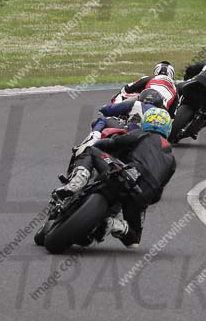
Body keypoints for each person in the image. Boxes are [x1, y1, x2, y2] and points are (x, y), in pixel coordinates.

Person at [56, 107, 176, 248]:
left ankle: (78, 180)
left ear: (146, 123)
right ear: (168, 128)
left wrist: (99, 143)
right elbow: (158, 193)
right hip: (142, 196)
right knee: (134, 240)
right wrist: (143, 202)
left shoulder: (141, 134)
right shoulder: (172, 160)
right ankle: (115, 225)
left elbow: (114, 143)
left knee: (91, 150)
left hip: (126, 174)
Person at [92, 88, 165, 134]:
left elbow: (110, 110)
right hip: (155, 142)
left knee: (103, 120)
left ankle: (91, 142)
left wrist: (103, 109)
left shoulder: (136, 104)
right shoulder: (164, 114)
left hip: (132, 135)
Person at [114, 61, 178, 114]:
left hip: (145, 103)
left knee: (120, 95)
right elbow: (173, 113)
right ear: (171, 74)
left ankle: (114, 112)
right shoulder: (175, 88)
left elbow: (126, 89)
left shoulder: (148, 78)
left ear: (156, 71)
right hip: (162, 112)